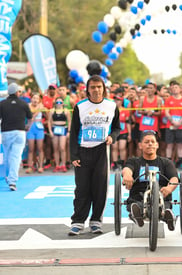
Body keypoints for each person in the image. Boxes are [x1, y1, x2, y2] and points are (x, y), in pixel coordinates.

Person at [69, 75, 120, 235]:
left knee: (100, 187)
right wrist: (74, 155)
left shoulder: (111, 106)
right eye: (93, 87)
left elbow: (117, 127)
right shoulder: (80, 106)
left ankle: (96, 221)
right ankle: (78, 221)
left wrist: (113, 137)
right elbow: (74, 131)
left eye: (99, 87)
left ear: (104, 88)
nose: (96, 90)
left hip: (102, 151)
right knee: (82, 188)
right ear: (88, 90)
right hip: (83, 151)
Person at [122, 131, 178, 231]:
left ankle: (167, 216)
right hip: (138, 196)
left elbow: (174, 178)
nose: (150, 144)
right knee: (136, 204)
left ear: (157, 145)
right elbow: (127, 169)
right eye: (146, 142)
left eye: (153, 141)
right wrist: (127, 175)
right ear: (140, 145)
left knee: (164, 206)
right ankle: (137, 214)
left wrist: (169, 188)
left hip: (161, 195)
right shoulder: (134, 161)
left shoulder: (166, 162)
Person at [0, 83, 32, 191]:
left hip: (6, 132)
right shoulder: (23, 103)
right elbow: (30, 117)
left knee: (7, 156)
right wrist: (28, 126)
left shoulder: (2, 104)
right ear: (17, 92)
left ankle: (8, 177)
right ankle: (12, 181)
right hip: (19, 132)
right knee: (15, 157)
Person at [164, 81, 182, 169]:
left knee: (180, 145)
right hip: (170, 125)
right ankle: (168, 163)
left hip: (180, 126)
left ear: (179, 89)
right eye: (173, 88)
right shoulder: (168, 100)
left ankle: (181, 162)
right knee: (169, 145)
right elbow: (166, 112)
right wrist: (173, 121)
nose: (175, 89)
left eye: (176, 87)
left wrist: (179, 122)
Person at [47, 97, 71, 172]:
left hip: (63, 129)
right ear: (55, 103)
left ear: (63, 103)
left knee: (62, 147)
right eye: (57, 102)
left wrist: (68, 132)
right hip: (55, 129)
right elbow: (49, 121)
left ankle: (63, 164)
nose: (59, 104)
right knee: (56, 148)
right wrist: (50, 131)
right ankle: (57, 165)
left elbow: (69, 121)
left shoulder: (66, 111)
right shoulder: (52, 111)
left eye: (60, 102)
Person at [25, 93, 46, 174]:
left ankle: (40, 166)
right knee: (31, 149)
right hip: (30, 128)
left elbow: (48, 116)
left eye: (37, 98)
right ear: (31, 99)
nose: (35, 100)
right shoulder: (28, 106)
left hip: (39, 128)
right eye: (34, 98)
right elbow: (29, 116)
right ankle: (30, 166)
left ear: (39, 100)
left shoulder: (41, 106)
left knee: (40, 148)